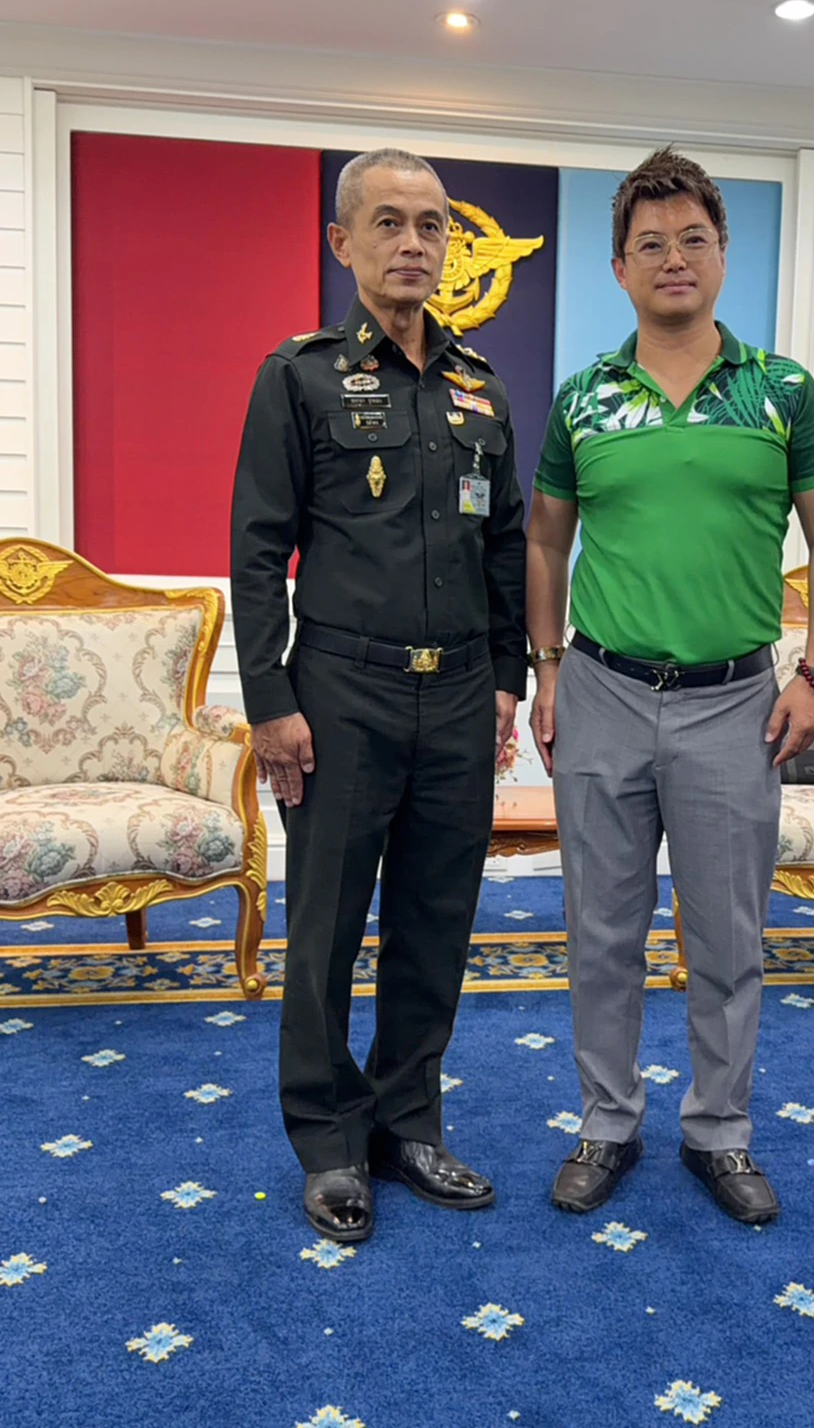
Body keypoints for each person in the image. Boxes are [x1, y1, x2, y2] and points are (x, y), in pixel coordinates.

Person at [526, 147, 814, 1226]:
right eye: (651, 244)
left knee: (725, 936)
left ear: (723, 255)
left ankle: (719, 1129)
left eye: (693, 240)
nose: (674, 258)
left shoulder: (782, 391)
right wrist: (546, 667)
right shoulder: (583, 398)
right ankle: (607, 1121)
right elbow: (545, 540)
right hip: (601, 692)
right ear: (619, 268)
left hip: (734, 704)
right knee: (602, 931)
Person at [231, 149, 527, 1242]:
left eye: (431, 224)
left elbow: (506, 542)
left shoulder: (481, 386)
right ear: (342, 242)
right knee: (325, 928)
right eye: (389, 222)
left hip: (459, 696)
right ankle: (328, 1140)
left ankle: (408, 1123)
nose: (413, 242)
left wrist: (509, 678)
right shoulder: (299, 376)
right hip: (339, 695)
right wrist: (270, 700)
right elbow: (256, 550)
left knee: (436, 921)